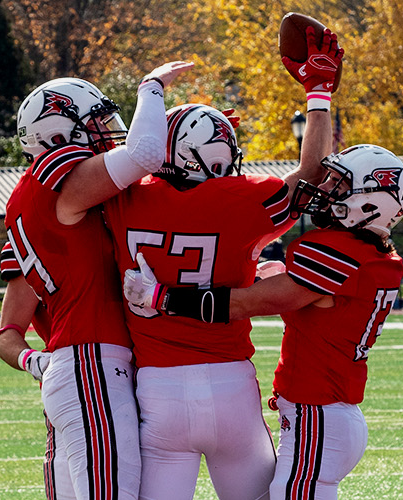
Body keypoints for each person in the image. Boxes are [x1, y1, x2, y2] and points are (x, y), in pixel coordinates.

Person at [125, 144, 403, 500]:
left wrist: (163, 298)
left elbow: (244, 304)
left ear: (372, 203)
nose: (323, 188)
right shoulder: (371, 253)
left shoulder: (339, 251)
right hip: (326, 412)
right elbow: (317, 307)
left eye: (337, 183)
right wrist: (280, 278)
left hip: (320, 413)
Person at [97, 82, 336, 498]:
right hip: (230, 384)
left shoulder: (121, 198)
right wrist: (318, 95)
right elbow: (313, 177)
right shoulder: (240, 198)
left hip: (159, 387)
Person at [0, 61, 195, 499]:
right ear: (59, 136)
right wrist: (152, 87)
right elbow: (144, 153)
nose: (108, 133)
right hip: (92, 365)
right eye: (97, 124)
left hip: (80, 366)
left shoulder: (37, 198)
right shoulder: (58, 187)